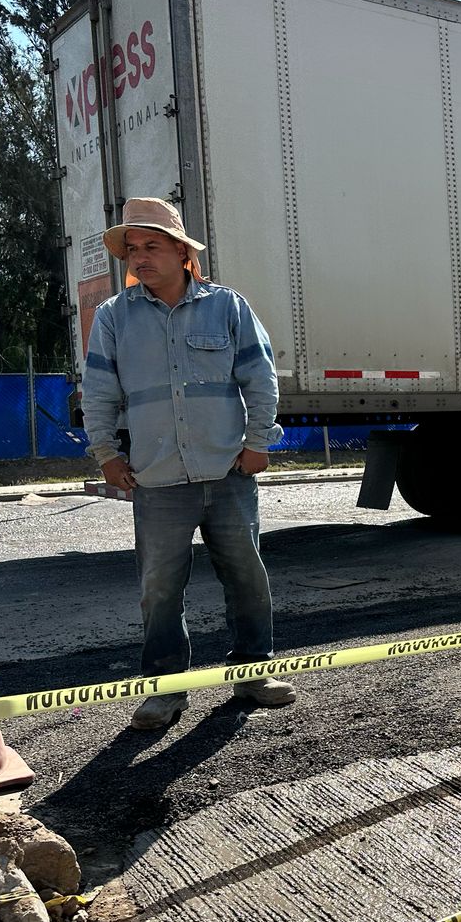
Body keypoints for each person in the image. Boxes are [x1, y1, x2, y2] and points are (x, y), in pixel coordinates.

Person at [82, 197, 296, 731]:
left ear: (183, 252)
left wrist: (258, 443)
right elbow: (99, 391)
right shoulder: (114, 318)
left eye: (152, 246)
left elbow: (260, 378)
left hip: (228, 472)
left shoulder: (228, 308)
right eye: (132, 249)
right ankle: (165, 688)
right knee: (159, 587)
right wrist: (106, 453)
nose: (139, 257)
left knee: (246, 574)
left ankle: (252, 672)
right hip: (157, 480)